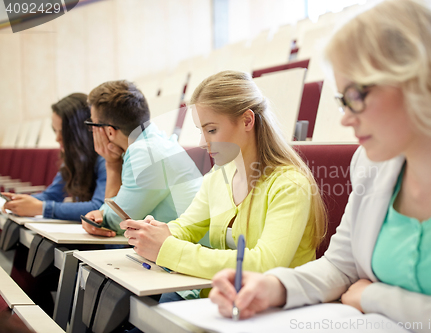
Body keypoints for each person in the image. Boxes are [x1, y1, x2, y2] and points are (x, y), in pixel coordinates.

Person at [209, 0, 431, 330]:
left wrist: (375, 297)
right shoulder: (371, 163)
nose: (346, 118)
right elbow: (339, 266)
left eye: (357, 95)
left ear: (421, 80)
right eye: (342, 100)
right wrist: (274, 287)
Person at [119, 70, 328, 300]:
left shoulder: (290, 184)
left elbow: (265, 265)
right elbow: (188, 226)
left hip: (275, 308)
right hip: (227, 298)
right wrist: (156, 233)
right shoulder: (219, 176)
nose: (202, 142)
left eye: (211, 130)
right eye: (201, 131)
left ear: (247, 120)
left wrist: (167, 249)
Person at [82, 80, 202, 237]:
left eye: (93, 125)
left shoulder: (145, 153)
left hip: (187, 250)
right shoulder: (150, 141)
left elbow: (114, 224)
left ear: (109, 132)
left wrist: (112, 165)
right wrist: (102, 213)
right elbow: (116, 210)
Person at [2, 93, 106, 220]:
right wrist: (19, 202)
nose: (57, 138)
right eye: (55, 130)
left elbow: (99, 207)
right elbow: (52, 195)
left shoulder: (105, 159)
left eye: (63, 132)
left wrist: (42, 208)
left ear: (81, 132)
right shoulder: (73, 157)